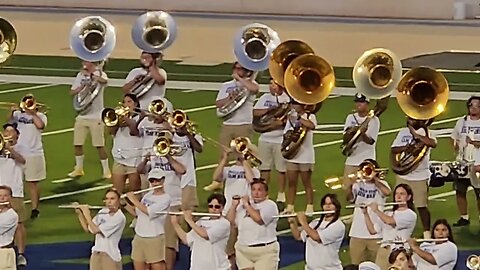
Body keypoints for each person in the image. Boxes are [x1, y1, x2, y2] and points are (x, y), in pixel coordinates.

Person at [204, 61, 259, 191]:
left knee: (243, 154)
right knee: (223, 154)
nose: (238, 70)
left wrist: (240, 79)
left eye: (241, 69)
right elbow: (218, 103)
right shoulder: (226, 85)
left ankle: (246, 177)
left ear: (247, 71)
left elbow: (254, 89)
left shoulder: (251, 83)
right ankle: (218, 181)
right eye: (236, 68)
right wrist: (230, 97)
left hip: (243, 124)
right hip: (228, 123)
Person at [137, 149, 186, 270]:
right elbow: (140, 171)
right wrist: (145, 160)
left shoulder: (177, 154)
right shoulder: (153, 157)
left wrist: (168, 156)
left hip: (173, 202)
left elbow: (182, 170)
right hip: (152, 200)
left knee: (169, 242)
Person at [210, 148, 260, 268]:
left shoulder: (254, 171)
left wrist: (244, 161)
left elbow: (252, 181)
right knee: (229, 248)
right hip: (229, 211)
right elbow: (216, 177)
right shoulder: (229, 169)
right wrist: (224, 159)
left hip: (245, 214)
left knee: (243, 247)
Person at [391, 117, 437, 238]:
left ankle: (427, 233)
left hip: (420, 175)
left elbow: (432, 143)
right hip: (404, 174)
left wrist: (416, 135)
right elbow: (394, 149)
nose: (410, 119)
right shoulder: (402, 132)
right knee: (398, 203)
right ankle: (397, 228)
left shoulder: (428, 132)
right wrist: (406, 148)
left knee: (421, 206)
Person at [68, 60, 111, 179]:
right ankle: (78, 168)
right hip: (82, 115)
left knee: (99, 145)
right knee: (77, 144)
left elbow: (105, 81)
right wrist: (82, 86)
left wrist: (93, 76)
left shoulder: (100, 74)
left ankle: (106, 170)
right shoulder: (80, 75)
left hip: (96, 116)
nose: (83, 63)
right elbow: (71, 92)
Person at [227, 180, 280, 270]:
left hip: (265, 250)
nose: (256, 193)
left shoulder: (270, 205)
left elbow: (259, 219)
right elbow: (229, 222)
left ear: (266, 192)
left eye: (259, 190)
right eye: (253, 190)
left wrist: (247, 205)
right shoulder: (242, 206)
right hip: (243, 250)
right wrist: (233, 206)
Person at [124, 168, 171, 270]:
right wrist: (124, 204)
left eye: (157, 180)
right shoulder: (147, 195)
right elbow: (137, 213)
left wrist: (133, 199)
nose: (155, 183)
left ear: (163, 180)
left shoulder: (165, 198)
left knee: (157, 266)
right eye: (152, 181)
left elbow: (149, 212)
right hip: (139, 236)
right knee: (138, 265)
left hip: (154, 237)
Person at [9, 94, 47, 219]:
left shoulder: (41, 116)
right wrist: (12, 111)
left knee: (32, 183)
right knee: (14, 181)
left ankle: (35, 208)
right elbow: (9, 123)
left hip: (34, 153)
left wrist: (33, 113)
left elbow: (40, 126)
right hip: (18, 152)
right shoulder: (19, 115)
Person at [346, 159, 391, 264]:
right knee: (356, 265)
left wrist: (374, 179)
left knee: (377, 265)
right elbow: (349, 199)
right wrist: (350, 186)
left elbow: (387, 192)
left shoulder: (382, 184)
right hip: (357, 233)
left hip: (376, 235)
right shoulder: (358, 184)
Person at [253, 78, 290, 204]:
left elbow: (290, 116)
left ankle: (281, 193)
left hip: (280, 138)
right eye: (270, 83)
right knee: (264, 167)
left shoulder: (287, 98)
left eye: (274, 83)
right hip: (265, 137)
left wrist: (279, 121)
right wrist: (271, 111)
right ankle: (264, 192)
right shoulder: (264, 97)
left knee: (281, 168)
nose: (271, 86)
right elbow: (256, 112)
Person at [362, 184, 417, 270]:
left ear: (409, 197)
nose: (398, 196)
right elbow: (372, 230)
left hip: (399, 252)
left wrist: (376, 210)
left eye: (402, 194)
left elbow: (390, 221)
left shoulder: (410, 214)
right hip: (383, 250)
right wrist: (365, 213)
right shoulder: (388, 213)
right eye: (396, 194)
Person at [171, 193, 231, 270]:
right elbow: (186, 240)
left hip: (217, 267)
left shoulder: (224, 224)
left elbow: (205, 235)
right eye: (210, 206)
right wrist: (175, 224)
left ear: (222, 208)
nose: (213, 209)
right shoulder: (202, 221)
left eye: (217, 207)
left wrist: (189, 220)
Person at [288, 193, 345, 270]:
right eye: (325, 204)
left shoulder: (338, 226)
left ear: (337, 207)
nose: (327, 207)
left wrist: (303, 222)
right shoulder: (315, 222)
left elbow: (317, 237)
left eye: (331, 204)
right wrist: (292, 222)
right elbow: (298, 237)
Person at [74, 188, 126, 270]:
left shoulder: (119, 217)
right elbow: (88, 229)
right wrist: (80, 214)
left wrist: (87, 214)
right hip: (96, 254)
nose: (109, 202)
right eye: (107, 199)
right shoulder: (103, 212)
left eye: (112, 199)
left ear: (118, 200)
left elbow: (95, 230)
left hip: (110, 255)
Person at [0, 123, 28, 266]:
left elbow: (22, 160)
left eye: (11, 131)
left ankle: (21, 254)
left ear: (17, 135)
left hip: (15, 191)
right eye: (6, 131)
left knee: (18, 224)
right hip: (0, 192)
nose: (8, 134)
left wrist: (8, 148)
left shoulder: (21, 147)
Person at [450, 96, 480, 227]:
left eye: (476, 106)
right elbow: (454, 137)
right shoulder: (461, 122)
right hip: (463, 162)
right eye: (471, 105)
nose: (473, 108)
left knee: (479, 192)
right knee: (460, 190)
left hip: (478, 163)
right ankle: (464, 217)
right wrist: (455, 148)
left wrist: (473, 142)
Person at [283, 101, 317, 214]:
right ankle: (290, 206)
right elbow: (286, 133)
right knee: (291, 182)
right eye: (293, 104)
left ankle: (310, 206)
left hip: (306, 155)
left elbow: (312, 126)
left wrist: (298, 118)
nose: (294, 106)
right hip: (293, 154)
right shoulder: (290, 118)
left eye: (296, 104)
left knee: (306, 181)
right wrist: (289, 134)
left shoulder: (310, 116)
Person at [109, 93, 143, 193]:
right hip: (119, 157)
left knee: (134, 192)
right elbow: (110, 131)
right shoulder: (119, 118)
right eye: (124, 102)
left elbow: (134, 131)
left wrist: (126, 119)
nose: (126, 104)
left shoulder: (140, 118)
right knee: (117, 191)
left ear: (135, 104)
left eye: (129, 102)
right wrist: (115, 122)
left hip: (134, 159)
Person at [342, 93, 380, 179]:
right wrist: (350, 132)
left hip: (366, 160)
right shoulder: (350, 117)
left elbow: (370, 141)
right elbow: (345, 139)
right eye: (357, 102)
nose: (358, 104)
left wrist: (361, 132)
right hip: (351, 159)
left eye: (362, 102)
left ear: (367, 104)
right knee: (347, 189)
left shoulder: (374, 120)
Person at [171, 119, 203, 212]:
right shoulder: (170, 136)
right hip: (173, 176)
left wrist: (188, 134)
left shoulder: (194, 136)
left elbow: (199, 149)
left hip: (189, 176)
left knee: (188, 207)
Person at [0, 185, 18, 270]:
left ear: (10, 198)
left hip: (4, 254)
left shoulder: (11, 216)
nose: (2, 198)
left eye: (5, 196)